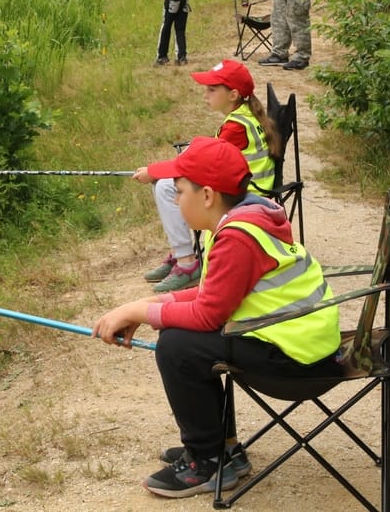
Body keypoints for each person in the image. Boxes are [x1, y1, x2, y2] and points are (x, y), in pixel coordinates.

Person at [92, 135, 340, 499]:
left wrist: (141, 312)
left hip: (297, 363)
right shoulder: (244, 219)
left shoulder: (238, 237)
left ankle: (208, 461)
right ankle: (225, 449)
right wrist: (146, 305)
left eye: (179, 191)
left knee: (178, 346)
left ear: (207, 196)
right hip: (304, 347)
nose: (175, 200)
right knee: (184, 337)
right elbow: (216, 293)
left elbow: (208, 314)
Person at [137, 60, 279, 292]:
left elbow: (202, 162)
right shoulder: (242, 116)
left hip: (247, 194)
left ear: (233, 94)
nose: (205, 95)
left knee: (165, 186)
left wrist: (153, 170)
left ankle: (187, 264)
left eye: (212, 90)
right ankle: (179, 252)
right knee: (166, 183)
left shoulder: (236, 127)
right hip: (243, 186)